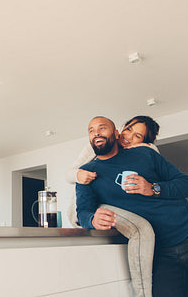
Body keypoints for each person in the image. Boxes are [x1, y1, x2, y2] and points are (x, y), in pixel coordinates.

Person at [76, 116, 188, 297]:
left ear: (116, 133)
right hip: (159, 252)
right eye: (91, 130)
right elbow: (82, 211)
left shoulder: (146, 154)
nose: (96, 132)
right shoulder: (85, 173)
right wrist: (92, 219)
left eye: (102, 128)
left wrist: (153, 188)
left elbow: (186, 185)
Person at [66, 115, 160, 297]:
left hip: (122, 211)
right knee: (141, 230)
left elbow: (153, 151)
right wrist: (78, 175)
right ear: (120, 129)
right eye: (129, 129)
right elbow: (71, 173)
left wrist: (141, 148)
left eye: (138, 136)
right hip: (88, 208)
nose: (129, 137)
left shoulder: (141, 154)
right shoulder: (97, 146)